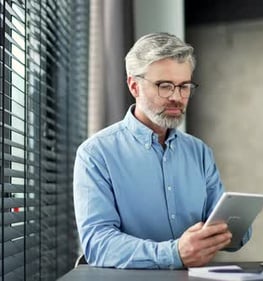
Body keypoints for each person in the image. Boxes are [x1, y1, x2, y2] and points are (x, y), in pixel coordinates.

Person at [73, 32, 251, 269]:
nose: (177, 97)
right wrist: (174, 253)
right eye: (165, 86)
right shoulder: (95, 154)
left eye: (184, 86)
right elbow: (98, 244)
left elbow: (227, 231)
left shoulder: (199, 152)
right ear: (134, 85)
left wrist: (234, 228)